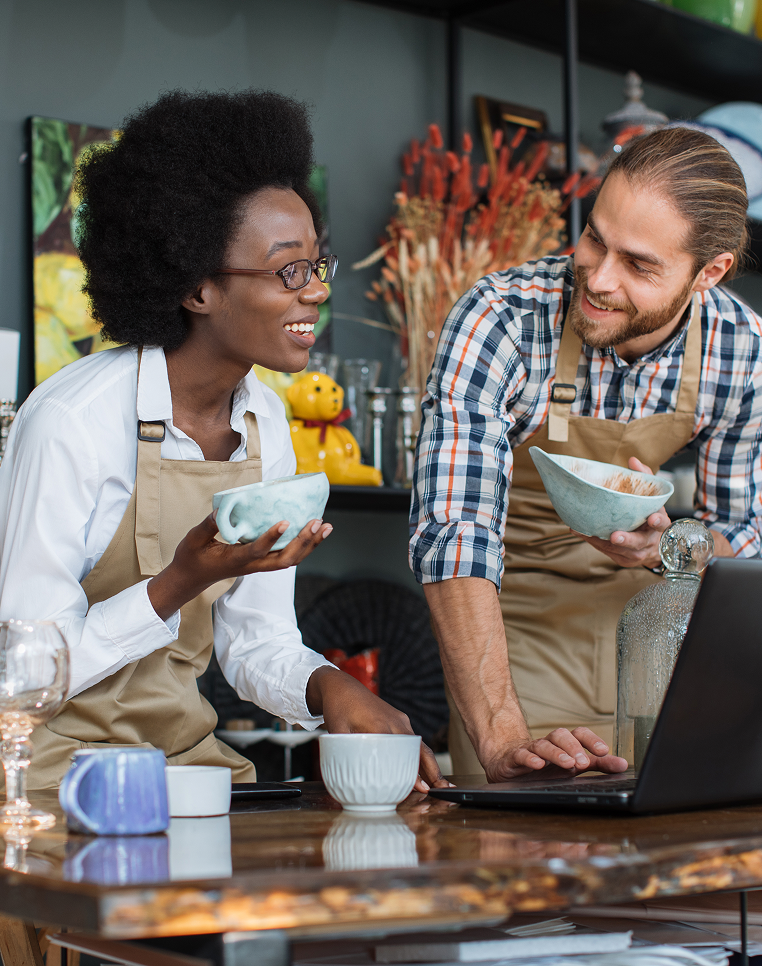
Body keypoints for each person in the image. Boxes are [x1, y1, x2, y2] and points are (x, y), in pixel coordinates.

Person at [0, 89, 446, 791]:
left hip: (190, 769)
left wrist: (331, 688)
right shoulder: (71, 423)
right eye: (288, 270)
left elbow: (256, 642)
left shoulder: (265, 422)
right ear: (198, 287)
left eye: (317, 266)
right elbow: (23, 673)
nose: (316, 292)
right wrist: (178, 582)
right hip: (56, 780)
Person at [410, 127, 762, 781]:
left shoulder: (742, 350)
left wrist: (672, 547)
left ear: (708, 272)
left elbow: (743, 534)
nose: (598, 279)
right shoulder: (501, 318)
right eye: (595, 238)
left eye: (639, 265)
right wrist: (502, 738)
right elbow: (455, 531)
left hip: (658, 650)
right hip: (515, 648)